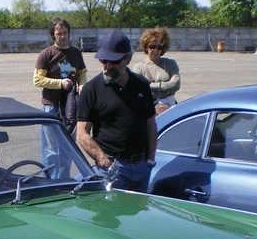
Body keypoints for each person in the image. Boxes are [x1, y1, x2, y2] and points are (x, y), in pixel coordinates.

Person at [76, 30, 157, 193]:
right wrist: (104, 161)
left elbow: (150, 123)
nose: (108, 66)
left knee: (140, 214)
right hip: (111, 169)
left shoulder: (141, 85)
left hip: (141, 167)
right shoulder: (92, 89)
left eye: (114, 61)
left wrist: (150, 160)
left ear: (128, 59)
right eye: (103, 61)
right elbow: (81, 133)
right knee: (111, 217)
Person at [34, 18, 87, 178]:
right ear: (53, 35)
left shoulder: (76, 53)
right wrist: (60, 83)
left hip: (69, 107)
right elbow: (37, 80)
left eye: (65, 33)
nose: (62, 36)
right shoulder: (46, 54)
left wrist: (82, 85)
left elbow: (82, 72)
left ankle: (63, 180)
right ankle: (50, 182)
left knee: (66, 146)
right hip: (51, 106)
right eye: (58, 33)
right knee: (51, 149)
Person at [132, 27, 181, 114]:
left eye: (159, 47)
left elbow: (176, 84)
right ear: (146, 47)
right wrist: (167, 86)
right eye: (152, 46)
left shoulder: (170, 63)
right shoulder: (138, 67)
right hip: (150, 110)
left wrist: (151, 86)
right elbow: (138, 87)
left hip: (170, 107)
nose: (155, 50)